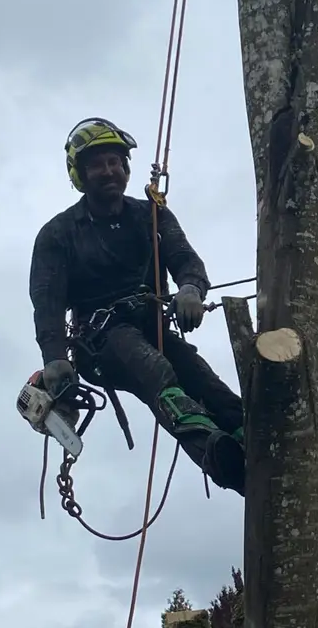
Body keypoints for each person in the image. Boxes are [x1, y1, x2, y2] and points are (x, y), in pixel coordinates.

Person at [29, 118, 245, 494]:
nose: (109, 171)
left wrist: (191, 289)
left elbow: (184, 259)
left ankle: (250, 440)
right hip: (101, 343)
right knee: (157, 372)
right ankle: (216, 454)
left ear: (126, 168)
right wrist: (54, 358)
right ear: (80, 175)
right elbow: (46, 304)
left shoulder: (151, 214)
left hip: (153, 325)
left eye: (115, 162)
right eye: (97, 164)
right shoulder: (59, 234)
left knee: (207, 384)